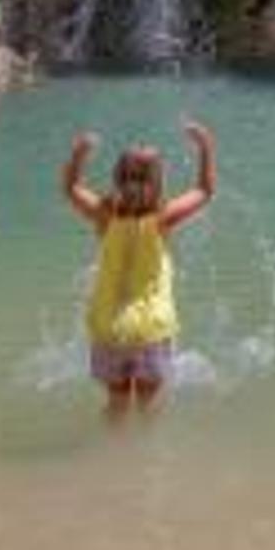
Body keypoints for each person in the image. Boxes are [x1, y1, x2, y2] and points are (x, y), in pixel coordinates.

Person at [61, 118, 216, 420]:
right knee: (149, 406)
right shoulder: (163, 218)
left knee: (116, 405)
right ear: (158, 183)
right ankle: (146, 461)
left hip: (110, 329)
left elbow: (71, 188)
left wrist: (78, 155)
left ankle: (110, 457)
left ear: (117, 179)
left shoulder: (103, 215)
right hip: (151, 329)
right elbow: (205, 189)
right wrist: (206, 145)